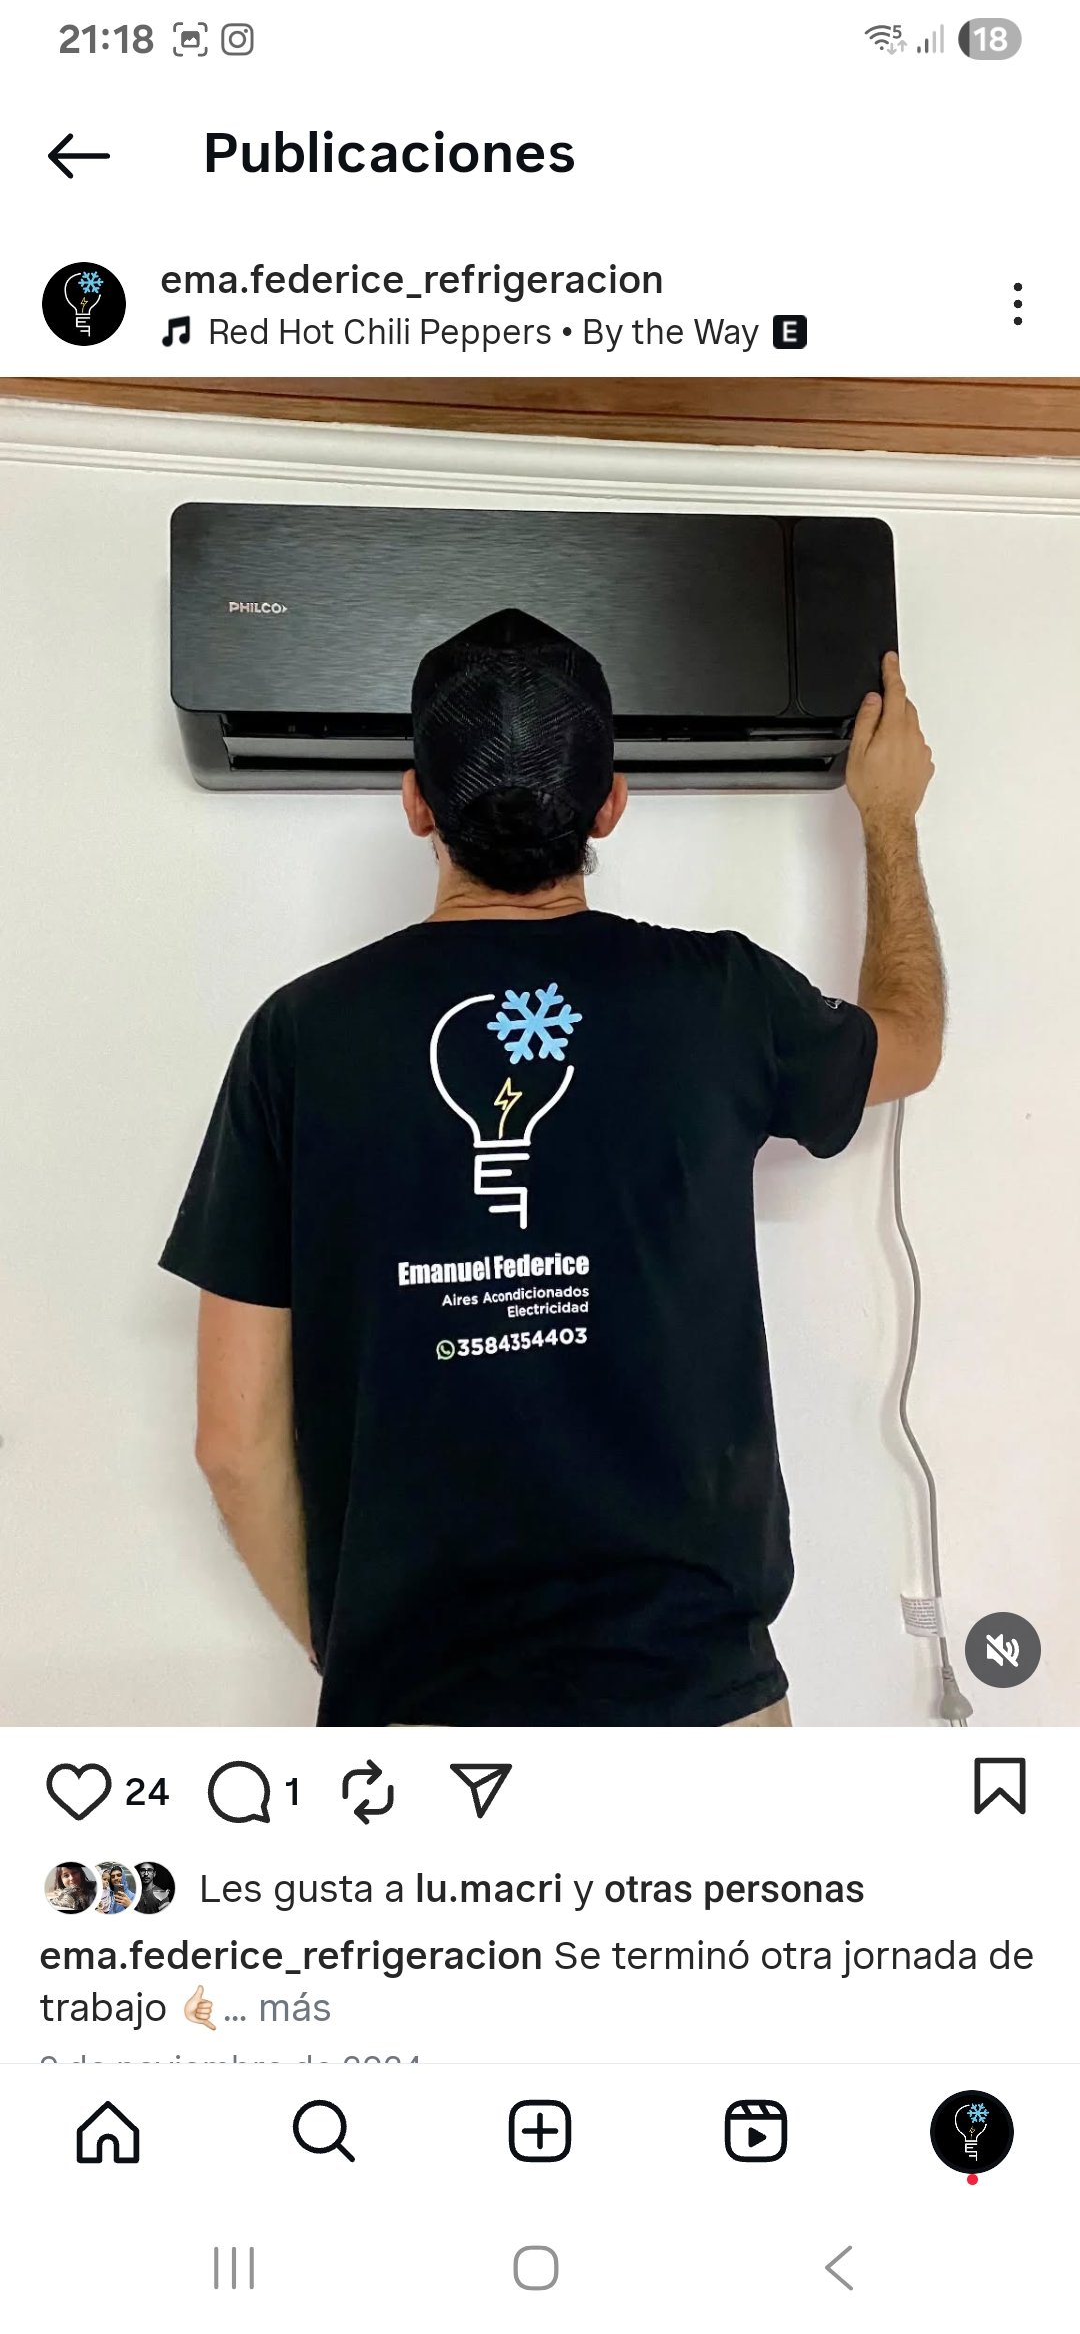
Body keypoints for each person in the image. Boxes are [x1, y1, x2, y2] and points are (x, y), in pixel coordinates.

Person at [161, 611, 943, 1727]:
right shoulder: (721, 998)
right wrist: (889, 820)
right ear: (610, 804)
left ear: (416, 803)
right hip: (697, 1712)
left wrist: (363, 1670)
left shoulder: (297, 1037)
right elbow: (911, 1041)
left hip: (420, 1727)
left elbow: (232, 1443)